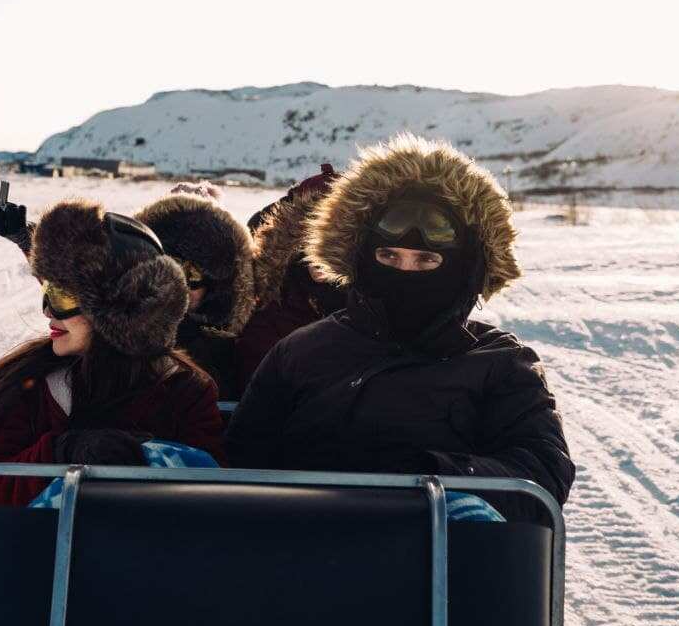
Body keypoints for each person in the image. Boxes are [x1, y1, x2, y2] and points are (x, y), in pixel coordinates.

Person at [225, 134, 574, 521]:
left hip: (449, 567)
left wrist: (429, 473)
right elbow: (242, 461)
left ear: (465, 269)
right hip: (310, 553)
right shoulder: (302, 351)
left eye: (426, 261)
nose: (404, 274)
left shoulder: (500, 361)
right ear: (359, 258)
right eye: (388, 256)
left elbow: (542, 474)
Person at [0, 199, 226, 507]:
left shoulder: (184, 389)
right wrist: (60, 451)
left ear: (119, 312)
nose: (47, 312)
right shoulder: (25, 381)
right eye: (47, 292)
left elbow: (209, 500)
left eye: (62, 297)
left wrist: (151, 462)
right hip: (39, 551)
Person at [235, 164, 346, 393]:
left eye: (337, 241)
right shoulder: (269, 307)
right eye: (311, 240)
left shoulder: (374, 307)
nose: (321, 254)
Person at [135, 189, 255, 399]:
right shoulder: (120, 345)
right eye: (172, 269)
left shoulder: (234, 352)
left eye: (194, 274)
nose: (181, 286)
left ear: (215, 286)